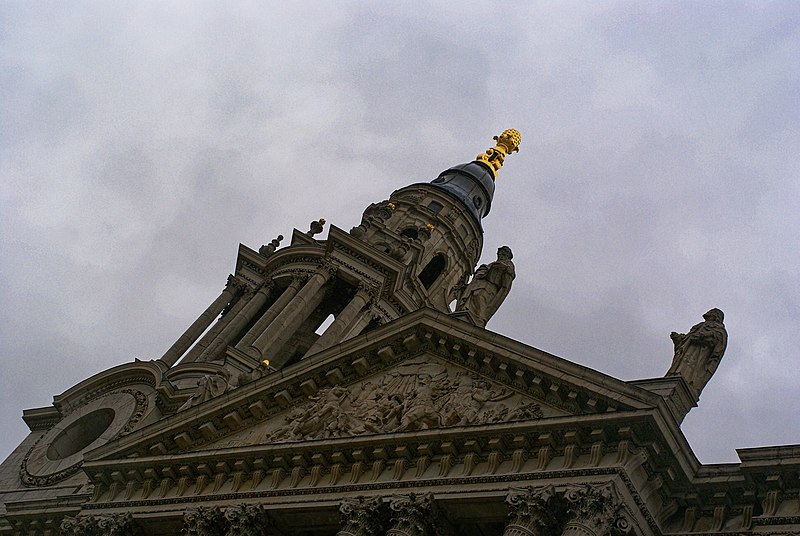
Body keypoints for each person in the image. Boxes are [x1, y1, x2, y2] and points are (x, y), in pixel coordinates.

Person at [667, 308, 727, 396]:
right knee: (681, 365)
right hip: (687, 352)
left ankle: (686, 381)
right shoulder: (700, 326)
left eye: (711, 314)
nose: (708, 316)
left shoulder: (719, 330)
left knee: (689, 370)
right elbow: (685, 341)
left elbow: (717, 343)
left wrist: (703, 337)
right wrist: (679, 338)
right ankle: (675, 374)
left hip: (700, 354)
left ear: (715, 316)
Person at [457, 246, 516, 327]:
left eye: (504, 252)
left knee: (480, 298)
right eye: (500, 252)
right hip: (478, 284)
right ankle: (470, 315)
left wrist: (497, 267)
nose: (501, 254)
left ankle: (479, 319)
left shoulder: (508, 264)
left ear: (508, 255)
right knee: (473, 298)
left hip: (489, 286)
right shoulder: (492, 263)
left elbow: (508, 275)